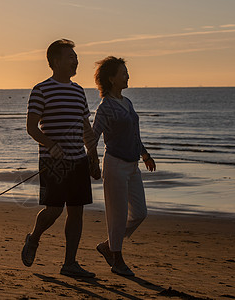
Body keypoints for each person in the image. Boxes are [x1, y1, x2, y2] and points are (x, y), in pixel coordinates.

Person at [21, 39, 100, 278]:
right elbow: (31, 127)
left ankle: (70, 263)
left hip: (78, 161)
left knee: (77, 212)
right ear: (56, 61)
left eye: (76, 57)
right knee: (54, 210)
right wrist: (51, 145)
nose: (76, 60)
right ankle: (34, 238)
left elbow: (86, 127)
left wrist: (93, 157)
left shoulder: (78, 91)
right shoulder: (41, 89)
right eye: (70, 56)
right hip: (53, 162)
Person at [90, 56, 156, 276]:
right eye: (123, 72)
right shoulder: (105, 107)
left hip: (132, 165)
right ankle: (117, 259)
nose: (128, 75)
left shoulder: (127, 102)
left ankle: (109, 245)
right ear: (111, 79)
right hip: (115, 164)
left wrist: (145, 154)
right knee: (116, 216)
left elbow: (134, 135)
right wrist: (93, 161)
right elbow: (93, 137)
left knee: (140, 213)